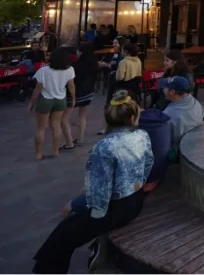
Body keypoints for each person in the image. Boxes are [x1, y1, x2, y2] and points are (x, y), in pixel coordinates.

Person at [32, 90, 153, 273]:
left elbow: (100, 196)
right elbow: (148, 164)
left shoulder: (104, 147)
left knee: (63, 234)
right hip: (136, 199)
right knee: (66, 230)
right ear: (132, 116)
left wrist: (75, 204)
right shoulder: (142, 135)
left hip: (116, 209)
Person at [28, 48, 76, 160]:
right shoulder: (69, 70)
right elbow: (71, 86)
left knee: (41, 128)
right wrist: (73, 98)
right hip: (60, 99)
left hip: (45, 99)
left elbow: (37, 89)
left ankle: (39, 154)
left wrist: (31, 102)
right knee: (56, 126)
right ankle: (55, 151)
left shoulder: (43, 71)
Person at [159, 76, 203, 155]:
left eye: (165, 87)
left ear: (172, 92)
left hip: (180, 153)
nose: (163, 89)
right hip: (197, 145)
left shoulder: (168, 114)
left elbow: (163, 140)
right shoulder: (195, 102)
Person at [67, 44, 99, 145]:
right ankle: (81, 139)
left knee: (64, 118)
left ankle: (69, 141)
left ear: (81, 52)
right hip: (88, 93)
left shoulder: (75, 66)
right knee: (82, 116)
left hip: (75, 94)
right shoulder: (93, 64)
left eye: (78, 51)